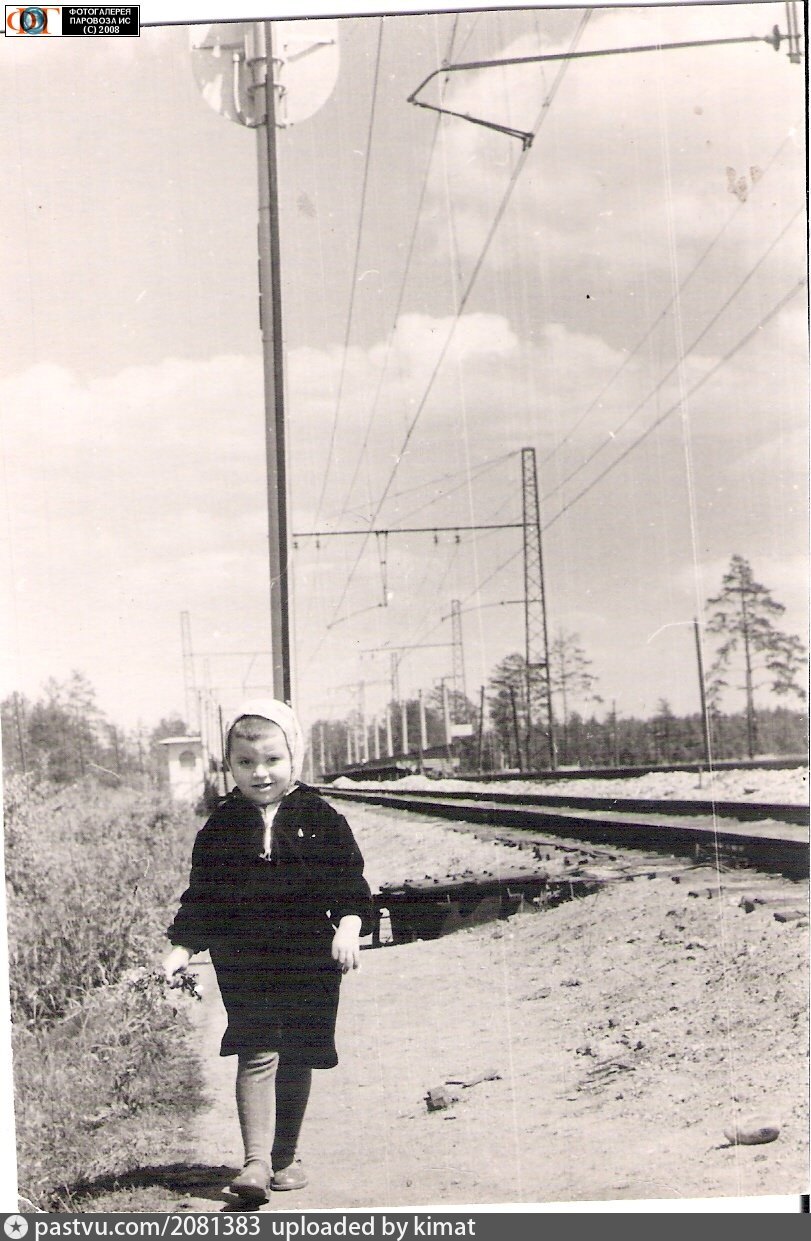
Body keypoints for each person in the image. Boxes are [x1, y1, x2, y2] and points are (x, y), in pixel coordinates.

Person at [162, 698, 373, 1204]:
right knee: (256, 1048)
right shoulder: (221, 826)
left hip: (310, 956)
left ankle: (284, 1155)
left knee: (297, 1051)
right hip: (245, 957)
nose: (259, 773)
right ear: (229, 765)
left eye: (272, 760)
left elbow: (349, 884)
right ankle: (255, 1163)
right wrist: (181, 949)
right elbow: (203, 897)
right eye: (245, 762)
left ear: (294, 756)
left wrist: (348, 927)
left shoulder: (320, 818)